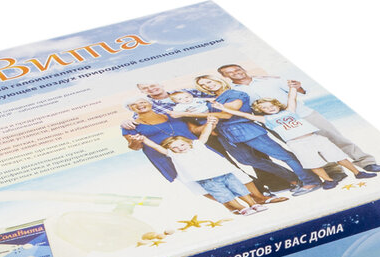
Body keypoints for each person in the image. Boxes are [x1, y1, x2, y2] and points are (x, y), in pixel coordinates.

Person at [217, 64, 380, 173]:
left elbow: (300, 91)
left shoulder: (270, 80)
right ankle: (334, 171)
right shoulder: (234, 92)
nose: (235, 73)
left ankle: (366, 162)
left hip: (304, 114)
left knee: (335, 138)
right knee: (305, 148)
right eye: (229, 72)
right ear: (225, 76)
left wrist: (299, 87)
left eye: (237, 69)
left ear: (243, 69)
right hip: (279, 124)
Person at [120, 99, 279, 208]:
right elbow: (134, 147)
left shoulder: (173, 115)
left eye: (142, 102)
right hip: (166, 156)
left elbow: (194, 130)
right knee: (196, 182)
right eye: (134, 104)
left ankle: (258, 198)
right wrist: (136, 140)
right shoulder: (130, 125)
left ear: (150, 103)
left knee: (232, 171)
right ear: (130, 109)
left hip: (197, 150)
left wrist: (210, 124)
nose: (140, 105)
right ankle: (233, 206)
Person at [223, 85, 378, 190]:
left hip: (314, 138)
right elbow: (245, 115)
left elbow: (291, 99)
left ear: (277, 105)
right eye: (264, 108)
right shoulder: (266, 119)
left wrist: (292, 88)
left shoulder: (289, 111)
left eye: (272, 106)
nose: (269, 108)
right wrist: (223, 108)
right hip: (297, 144)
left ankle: (358, 173)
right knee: (312, 163)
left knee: (338, 156)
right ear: (260, 110)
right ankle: (328, 180)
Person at [193, 74, 321, 195]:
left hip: (246, 130)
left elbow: (227, 115)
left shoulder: (235, 94)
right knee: (246, 160)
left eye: (209, 81)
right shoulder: (211, 101)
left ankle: (311, 181)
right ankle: (293, 178)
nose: (207, 85)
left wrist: (188, 114)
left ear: (217, 80)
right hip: (226, 135)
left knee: (283, 155)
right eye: (203, 85)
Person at [133, 117, 268, 215]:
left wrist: (209, 123)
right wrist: (144, 139)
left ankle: (253, 204)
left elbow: (205, 134)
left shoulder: (197, 145)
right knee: (224, 195)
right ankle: (241, 208)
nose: (180, 148)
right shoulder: (173, 155)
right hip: (206, 180)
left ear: (188, 142)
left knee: (240, 189)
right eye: (175, 147)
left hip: (223, 173)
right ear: (171, 149)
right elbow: (157, 147)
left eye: (182, 145)